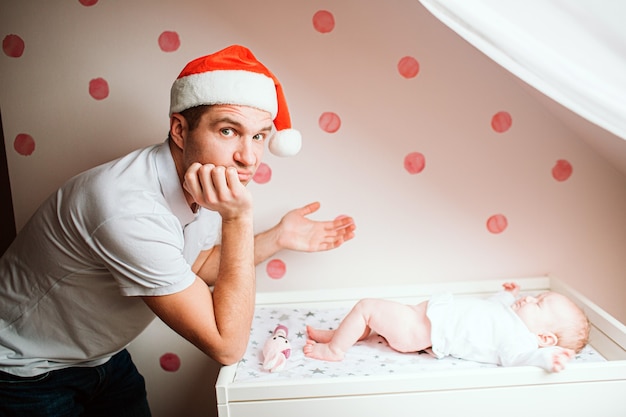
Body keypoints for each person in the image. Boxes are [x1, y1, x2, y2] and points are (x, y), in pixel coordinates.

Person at [0, 45, 356, 416]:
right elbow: (227, 344)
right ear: (180, 129)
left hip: (99, 358)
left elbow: (197, 264)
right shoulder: (128, 208)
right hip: (24, 371)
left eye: (259, 136)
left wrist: (278, 237)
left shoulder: (200, 178)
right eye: (229, 130)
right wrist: (238, 219)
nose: (248, 158)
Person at [304, 282, 589, 373]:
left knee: (367, 307)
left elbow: (520, 359)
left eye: (537, 303)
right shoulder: (507, 316)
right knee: (375, 320)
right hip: (418, 319)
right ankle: (345, 335)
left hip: (416, 331)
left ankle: (334, 349)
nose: (530, 297)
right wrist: (509, 296)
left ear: (544, 337)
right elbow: (491, 306)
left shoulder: (518, 340)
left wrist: (546, 358)